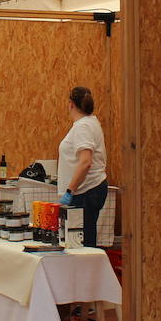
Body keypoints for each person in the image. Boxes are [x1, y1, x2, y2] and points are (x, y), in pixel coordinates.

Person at [58, 86, 109, 248]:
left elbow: (85, 162)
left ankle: (87, 273)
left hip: (85, 191)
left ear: (71, 104)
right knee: (84, 241)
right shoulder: (90, 123)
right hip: (89, 190)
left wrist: (69, 190)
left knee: (82, 244)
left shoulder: (82, 127)